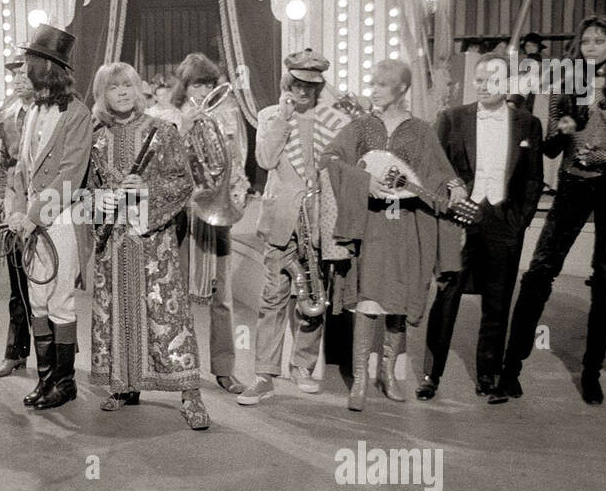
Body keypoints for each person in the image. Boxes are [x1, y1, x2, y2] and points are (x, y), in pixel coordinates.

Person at [498, 15, 606, 405]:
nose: (591, 47)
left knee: (605, 277)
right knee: (540, 271)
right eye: (586, 42)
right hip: (571, 183)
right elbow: (549, 148)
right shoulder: (567, 84)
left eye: (599, 41)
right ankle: (511, 367)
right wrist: (562, 131)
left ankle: (591, 372)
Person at [322, 60, 465, 411]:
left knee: (398, 302)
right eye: (372, 84)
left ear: (401, 89)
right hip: (371, 226)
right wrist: (363, 181)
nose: (373, 91)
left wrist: (454, 185)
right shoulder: (362, 127)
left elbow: (437, 173)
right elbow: (330, 158)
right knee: (369, 300)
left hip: (406, 227)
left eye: (381, 86)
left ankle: (388, 373)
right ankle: (360, 380)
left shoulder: (421, 131)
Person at [88, 62, 209, 430]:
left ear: (138, 89)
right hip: (115, 243)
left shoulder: (161, 131)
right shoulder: (96, 136)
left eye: (128, 86)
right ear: (102, 95)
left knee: (166, 315)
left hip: (154, 243)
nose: (122, 93)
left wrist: (143, 193)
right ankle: (124, 384)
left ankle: (190, 394)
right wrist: (101, 200)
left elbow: (181, 182)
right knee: (117, 311)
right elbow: (87, 188)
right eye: (114, 88)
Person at [417, 51, 543, 403]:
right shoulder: (452, 119)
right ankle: (431, 374)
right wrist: (449, 207)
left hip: (504, 221)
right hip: (459, 221)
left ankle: (488, 373)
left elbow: (533, 179)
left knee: (498, 302)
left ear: (509, 84)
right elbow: (434, 171)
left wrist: (518, 222)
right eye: (481, 77)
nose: (486, 84)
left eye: (495, 78)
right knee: (447, 297)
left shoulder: (528, 124)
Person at [238, 49, 353, 405]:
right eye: (297, 84)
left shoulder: (335, 120)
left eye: (310, 86)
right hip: (281, 221)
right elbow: (266, 160)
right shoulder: (270, 114)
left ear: (320, 87)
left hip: (319, 222)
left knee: (312, 298)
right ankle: (263, 375)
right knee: (272, 300)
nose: (303, 92)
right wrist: (284, 122)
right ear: (287, 81)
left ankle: (302, 365)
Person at [4, 24, 93, 410]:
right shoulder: (32, 112)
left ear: (47, 67)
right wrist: (16, 212)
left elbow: (70, 174)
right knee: (36, 301)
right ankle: (45, 380)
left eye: (30, 62)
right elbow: (21, 169)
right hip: (32, 221)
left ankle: (65, 382)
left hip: (61, 220)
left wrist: (34, 215)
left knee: (59, 302)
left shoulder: (77, 114)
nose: (24, 69)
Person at [176, 52, 250, 395]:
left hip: (219, 215)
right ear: (185, 87)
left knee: (223, 298)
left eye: (207, 83)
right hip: (184, 215)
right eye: (195, 84)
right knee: (179, 297)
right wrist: (185, 127)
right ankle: (182, 367)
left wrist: (235, 193)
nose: (202, 90)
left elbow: (237, 164)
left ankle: (224, 367)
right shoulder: (174, 118)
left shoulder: (228, 117)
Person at [0, 78, 36, 378]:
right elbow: (1, 163)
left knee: (50, 286)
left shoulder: (56, 112)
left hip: (50, 205)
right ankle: (15, 354)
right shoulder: (7, 119)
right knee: (17, 284)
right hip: (15, 207)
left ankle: (58, 358)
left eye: (26, 73)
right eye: (15, 74)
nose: (20, 80)